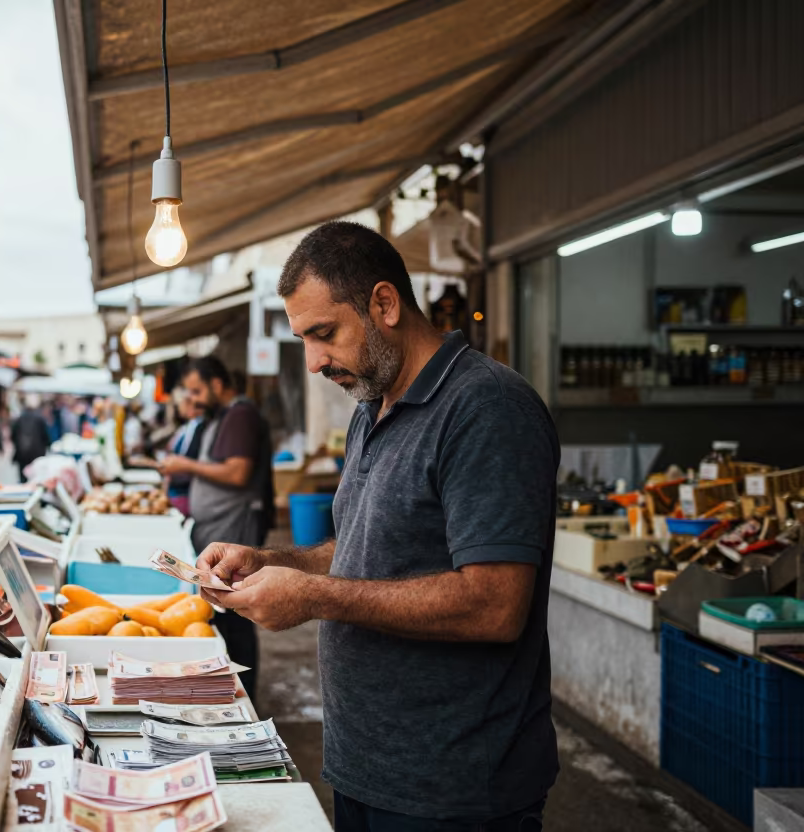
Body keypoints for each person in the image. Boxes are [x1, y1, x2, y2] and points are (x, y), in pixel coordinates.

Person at [197, 221, 559, 832]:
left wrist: (312, 597)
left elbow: (495, 604)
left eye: (324, 334)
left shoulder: (486, 408)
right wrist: (271, 562)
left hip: (455, 787)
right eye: (302, 340)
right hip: (366, 766)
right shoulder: (372, 408)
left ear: (384, 304)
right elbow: (367, 548)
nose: (313, 362)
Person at [159, 355, 273, 699]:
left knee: (236, 615)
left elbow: (237, 473)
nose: (192, 398)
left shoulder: (240, 415)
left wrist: (186, 465)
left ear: (217, 385)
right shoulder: (220, 417)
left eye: (197, 390)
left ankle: (243, 694)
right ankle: (230, 687)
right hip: (217, 527)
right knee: (224, 615)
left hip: (234, 529)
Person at [164, 395, 207, 516]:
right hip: (178, 488)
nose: (178, 408)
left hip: (186, 490)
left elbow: (191, 456)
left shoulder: (200, 426)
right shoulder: (186, 427)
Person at [10, 394, 50, 483]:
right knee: (36, 478)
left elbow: (13, 435)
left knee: (23, 478)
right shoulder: (40, 419)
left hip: (22, 453)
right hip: (37, 453)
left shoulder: (19, 418)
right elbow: (46, 436)